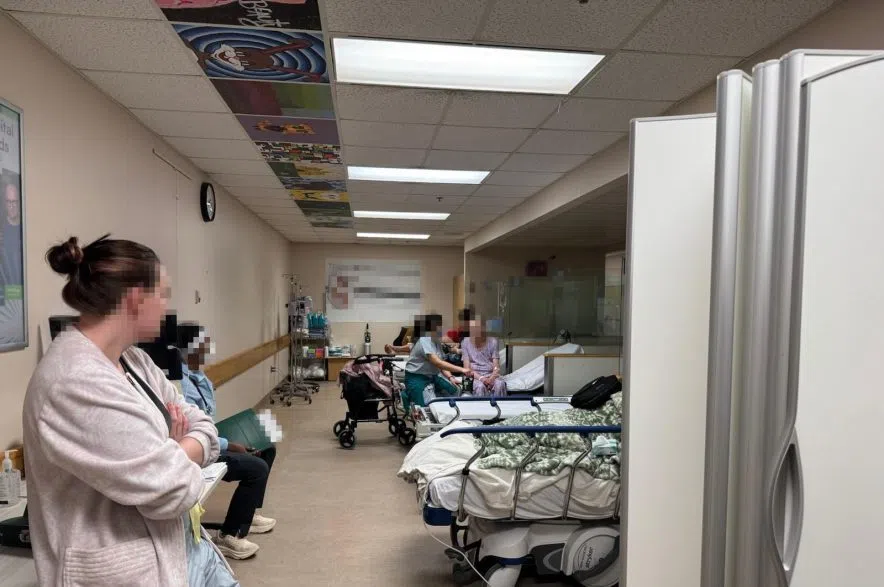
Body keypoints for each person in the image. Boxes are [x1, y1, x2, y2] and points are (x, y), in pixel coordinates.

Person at [22, 235, 236, 586]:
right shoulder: (75, 381)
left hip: (184, 550)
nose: (166, 307)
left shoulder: (134, 360)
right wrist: (178, 451)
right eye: (163, 294)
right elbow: (175, 489)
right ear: (136, 298)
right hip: (128, 571)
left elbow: (203, 424)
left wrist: (173, 451)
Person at [178, 323, 277, 561]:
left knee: (268, 447)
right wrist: (230, 445)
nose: (208, 348)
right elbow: (191, 432)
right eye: (203, 344)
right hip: (199, 447)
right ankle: (230, 535)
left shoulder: (198, 375)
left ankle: (249, 513)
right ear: (189, 349)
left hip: (212, 434)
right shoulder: (180, 383)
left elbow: (207, 417)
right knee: (256, 468)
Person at [403, 313, 473, 410]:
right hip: (418, 379)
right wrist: (462, 369)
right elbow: (437, 362)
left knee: (455, 391)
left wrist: (450, 377)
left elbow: (441, 363)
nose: (442, 328)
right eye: (439, 325)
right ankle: (408, 394)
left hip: (432, 376)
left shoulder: (436, 341)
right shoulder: (425, 339)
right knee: (429, 408)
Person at [461, 317, 506, 397]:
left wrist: (492, 378)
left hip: (490, 375)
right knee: (480, 387)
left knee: (500, 384)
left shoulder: (493, 342)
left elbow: (496, 367)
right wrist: (481, 378)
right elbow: (466, 369)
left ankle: (498, 405)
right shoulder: (465, 342)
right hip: (472, 376)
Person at [1, 178, 22, 286]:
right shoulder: (1, 229)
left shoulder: (25, 228)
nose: (12, 206)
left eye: (14, 201)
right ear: (5, 203)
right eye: (8, 201)